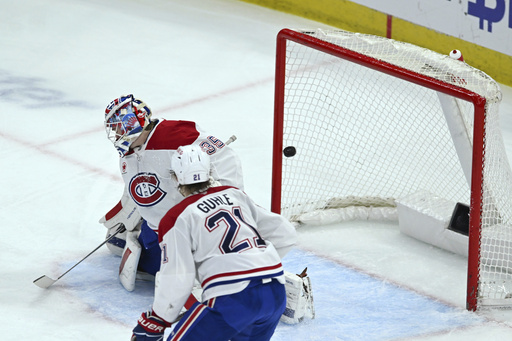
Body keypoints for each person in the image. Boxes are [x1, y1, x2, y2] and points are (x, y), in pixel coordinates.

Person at [131, 145, 297, 341]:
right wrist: (255, 262)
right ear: (210, 172)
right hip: (275, 293)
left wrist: (158, 319)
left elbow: (178, 275)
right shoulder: (236, 195)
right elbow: (285, 234)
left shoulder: (176, 217)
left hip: (233, 298)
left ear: (175, 178)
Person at [99, 94, 244, 291]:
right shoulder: (127, 157)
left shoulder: (174, 134)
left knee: (201, 275)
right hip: (158, 231)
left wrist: (225, 197)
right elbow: (137, 190)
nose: (116, 136)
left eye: (119, 128)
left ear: (134, 123)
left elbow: (225, 157)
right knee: (151, 264)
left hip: (192, 231)